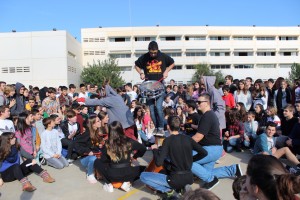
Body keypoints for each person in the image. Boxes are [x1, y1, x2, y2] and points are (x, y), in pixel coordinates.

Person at [140, 116, 207, 197]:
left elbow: (158, 163)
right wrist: (192, 160)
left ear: (168, 126)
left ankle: (169, 191)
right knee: (166, 166)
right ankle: (182, 187)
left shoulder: (168, 140)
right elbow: (204, 153)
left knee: (143, 176)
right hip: (189, 177)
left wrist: (155, 150)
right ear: (179, 126)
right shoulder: (188, 139)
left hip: (175, 179)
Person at [191, 94, 242, 190]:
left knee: (186, 160)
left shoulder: (207, 116)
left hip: (210, 150)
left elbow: (198, 137)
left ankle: (211, 180)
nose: (197, 104)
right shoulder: (208, 115)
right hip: (214, 149)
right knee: (205, 173)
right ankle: (233, 169)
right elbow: (204, 130)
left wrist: (183, 143)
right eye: (196, 102)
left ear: (207, 103)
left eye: (199, 102)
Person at [93, 121, 146, 192]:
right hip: (128, 173)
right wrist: (135, 156)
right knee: (144, 169)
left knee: (97, 162)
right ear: (121, 129)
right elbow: (143, 148)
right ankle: (128, 182)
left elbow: (103, 159)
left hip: (112, 175)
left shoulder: (108, 143)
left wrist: (111, 160)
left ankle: (109, 184)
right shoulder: (129, 141)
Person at [135, 41, 175, 135]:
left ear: (157, 50)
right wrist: (141, 73)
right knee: (151, 109)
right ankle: (156, 127)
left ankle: (161, 127)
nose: (153, 54)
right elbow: (136, 65)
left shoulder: (163, 56)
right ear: (148, 51)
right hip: (149, 87)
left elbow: (172, 63)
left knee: (158, 107)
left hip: (160, 86)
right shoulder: (145, 57)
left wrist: (166, 71)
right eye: (151, 52)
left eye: (155, 52)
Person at [74, 116, 102, 184]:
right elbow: (76, 144)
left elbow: (94, 145)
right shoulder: (87, 133)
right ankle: (90, 174)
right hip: (85, 158)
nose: (100, 121)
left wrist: (99, 145)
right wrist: (87, 151)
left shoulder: (96, 132)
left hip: (96, 154)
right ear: (93, 124)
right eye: (98, 121)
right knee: (93, 158)